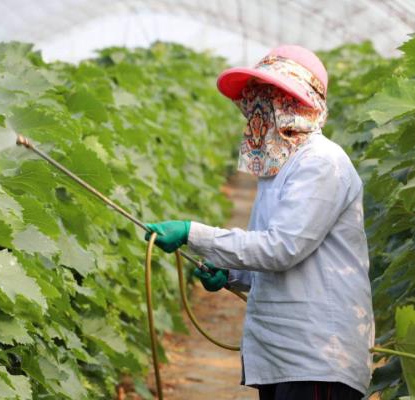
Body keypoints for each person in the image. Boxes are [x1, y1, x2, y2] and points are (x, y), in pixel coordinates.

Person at [144, 45, 374, 400]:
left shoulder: (321, 163)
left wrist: (194, 233)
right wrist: (233, 274)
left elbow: (283, 249)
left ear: (301, 103)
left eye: (276, 96)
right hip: (283, 352)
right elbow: (273, 251)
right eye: (259, 96)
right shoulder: (277, 168)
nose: (263, 106)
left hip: (318, 353)